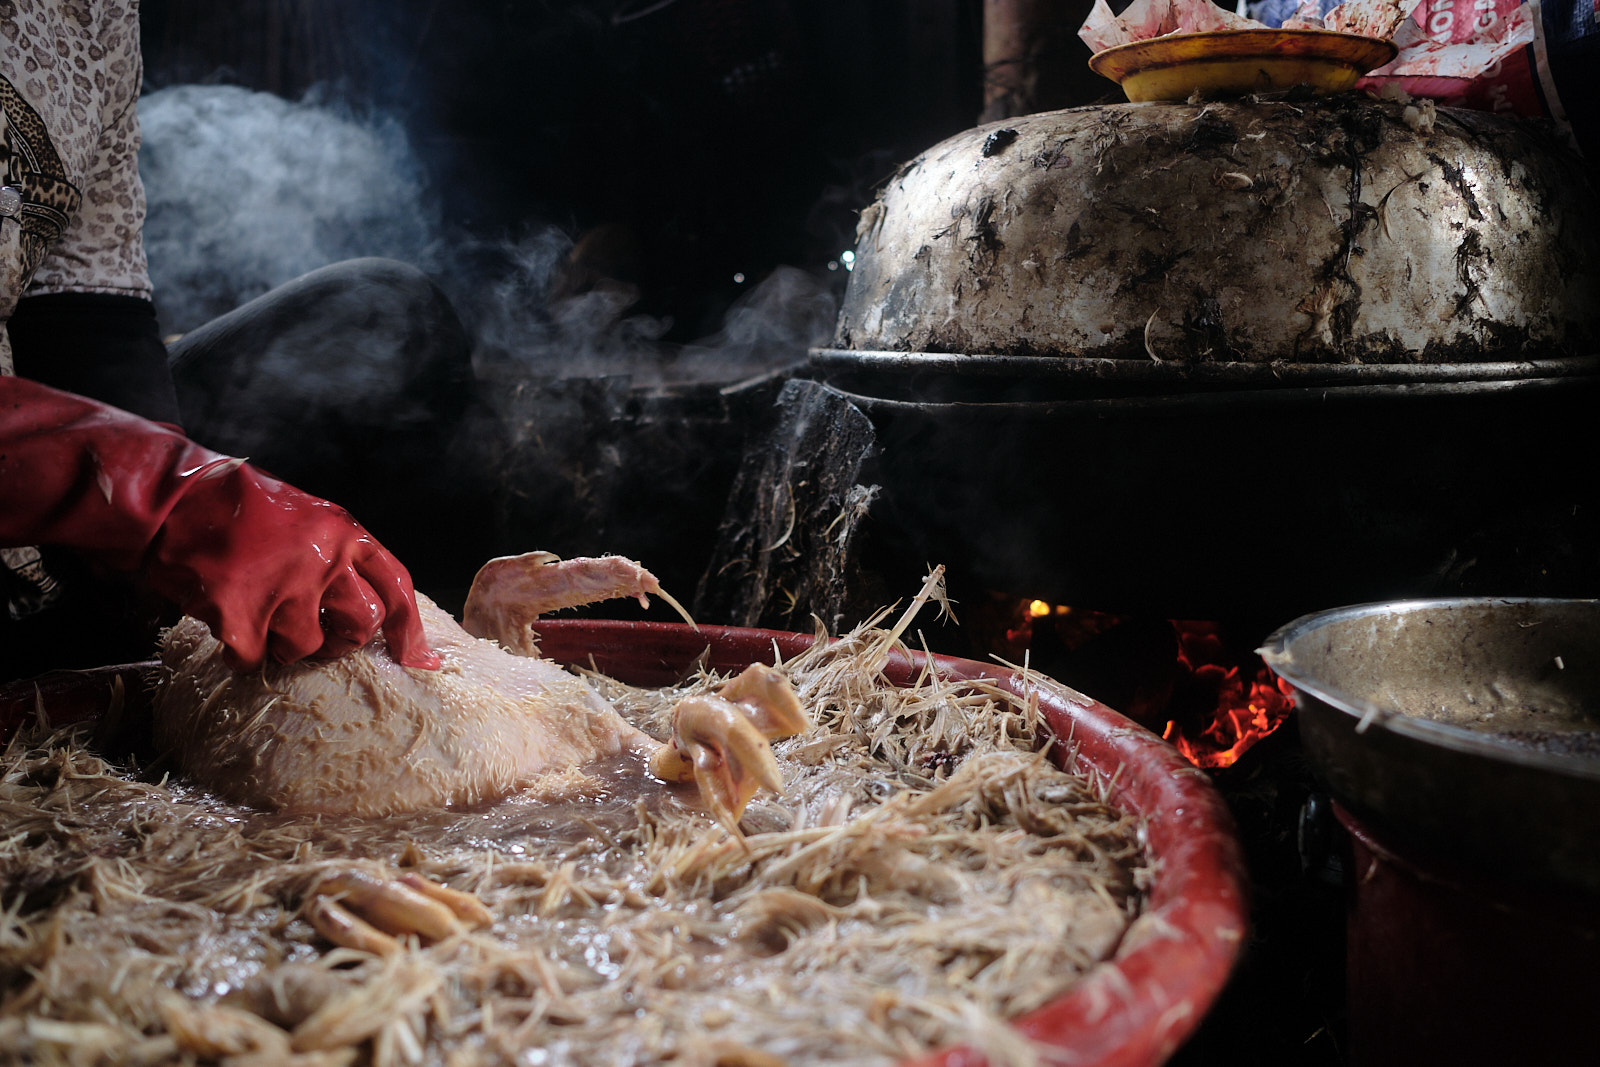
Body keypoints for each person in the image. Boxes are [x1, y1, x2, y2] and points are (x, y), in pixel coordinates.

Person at [1, 1, 447, 679]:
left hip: (44, 475)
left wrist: (161, 532)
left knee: (388, 312)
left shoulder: (94, 12)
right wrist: (162, 501)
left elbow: (86, 313)